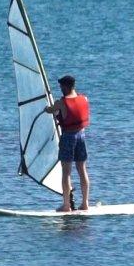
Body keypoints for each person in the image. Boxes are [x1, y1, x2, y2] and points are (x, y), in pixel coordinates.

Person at [45, 74, 90, 212]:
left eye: (61, 86)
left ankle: (66, 206)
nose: (60, 88)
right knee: (82, 170)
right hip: (81, 136)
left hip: (68, 138)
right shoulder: (84, 99)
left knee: (66, 173)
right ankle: (85, 203)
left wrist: (47, 108)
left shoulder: (61, 103)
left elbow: (50, 110)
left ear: (65, 87)